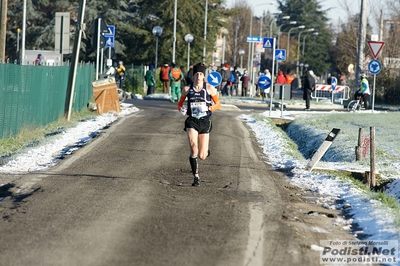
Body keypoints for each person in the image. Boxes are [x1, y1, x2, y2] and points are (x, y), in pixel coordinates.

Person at [177, 63, 221, 186]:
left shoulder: (209, 88)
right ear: (194, 75)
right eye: (196, 74)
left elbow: (218, 104)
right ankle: (196, 177)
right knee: (193, 148)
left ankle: (206, 151)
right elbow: (180, 104)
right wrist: (181, 109)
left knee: (202, 155)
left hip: (204, 121)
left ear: (203, 77)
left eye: (201, 74)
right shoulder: (187, 89)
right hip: (192, 121)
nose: (198, 77)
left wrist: (211, 108)